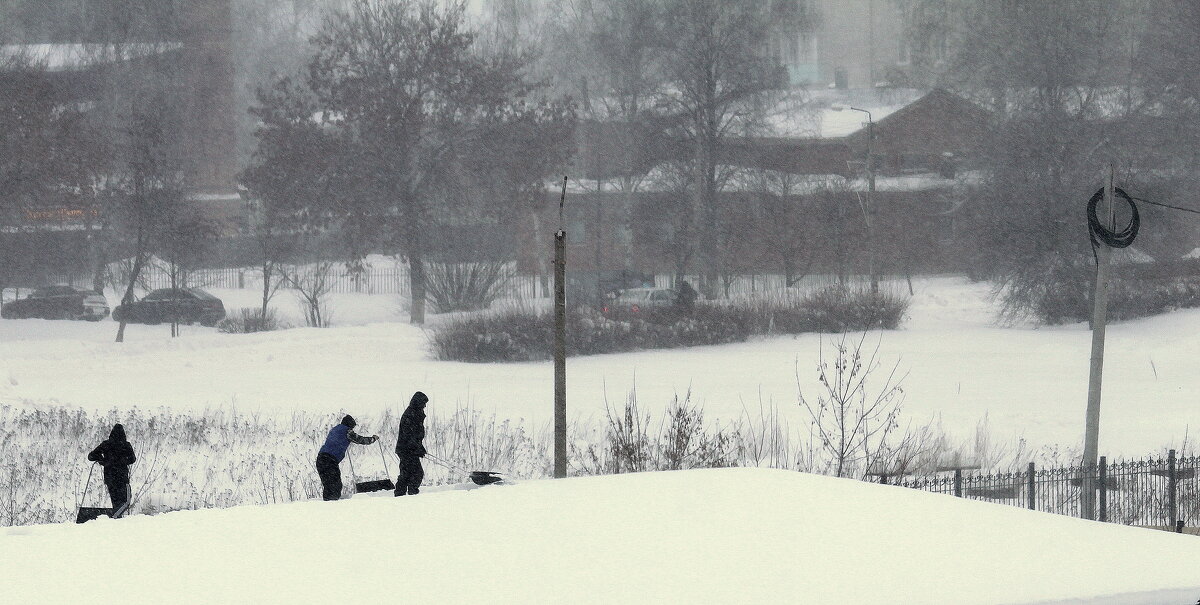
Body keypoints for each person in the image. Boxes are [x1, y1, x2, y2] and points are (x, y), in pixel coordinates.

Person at [316, 415, 378, 501]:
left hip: (321, 459)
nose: (353, 429)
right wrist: (373, 439)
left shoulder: (335, 429)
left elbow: (336, 441)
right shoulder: (347, 431)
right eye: (353, 426)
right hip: (329, 460)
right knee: (335, 485)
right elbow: (360, 440)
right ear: (350, 424)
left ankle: (327, 504)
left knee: (329, 485)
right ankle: (331, 506)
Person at [87, 424, 137, 518]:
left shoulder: (106, 444)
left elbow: (91, 456)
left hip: (109, 478)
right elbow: (132, 459)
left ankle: (116, 521)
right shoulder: (125, 445)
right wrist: (121, 461)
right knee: (126, 501)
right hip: (122, 478)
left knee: (116, 503)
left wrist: (103, 461)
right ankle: (113, 518)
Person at [394, 391, 428, 496]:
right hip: (406, 449)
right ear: (418, 402)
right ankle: (408, 494)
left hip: (409, 449)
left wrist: (419, 447)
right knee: (415, 473)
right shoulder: (410, 414)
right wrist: (416, 448)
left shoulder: (416, 413)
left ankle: (403, 494)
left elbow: (415, 435)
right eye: (423, 403)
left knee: (408, 473)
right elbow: (408, 434)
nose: (425, 405)